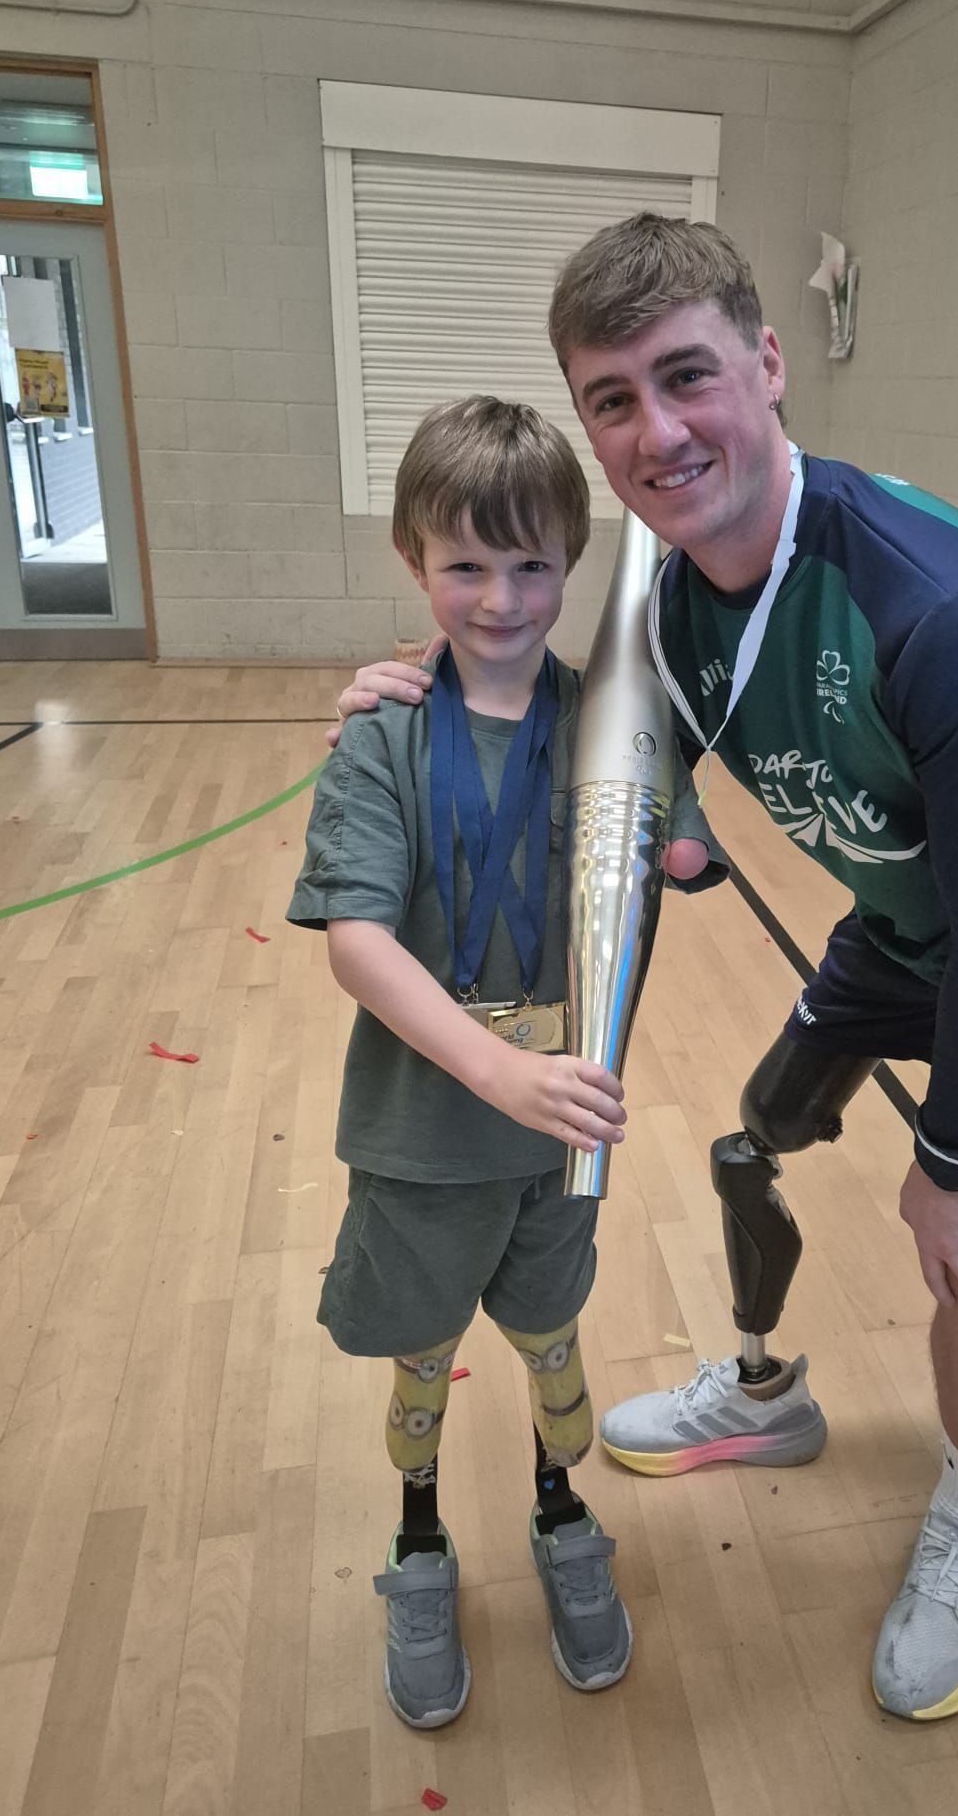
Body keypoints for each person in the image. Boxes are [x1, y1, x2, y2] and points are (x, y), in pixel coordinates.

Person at [331, 217, 958, 1725]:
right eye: (612, 399)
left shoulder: (950, 614)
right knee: (760, 1134)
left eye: (687, 376)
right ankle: (765, 1391)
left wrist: (953, 1162)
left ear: (770, 363)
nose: (656, 432)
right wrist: (425, 677)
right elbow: (570, 713)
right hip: (910, 902)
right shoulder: (671, 596)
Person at [292, 394, 723, 1730]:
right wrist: (497, 1071)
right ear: (413, 561)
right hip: (426, 1135)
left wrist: (680, 805)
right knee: (423, 1354)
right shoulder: (382, 733)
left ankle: (560, 1510)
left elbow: (678, 848)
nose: (500, 598)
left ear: (573, 562)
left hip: (560, 1135)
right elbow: (356, 943)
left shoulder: (609, 719)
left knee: (550, 1336)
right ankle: (419, 1539)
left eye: (532, 565)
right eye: (465, 565)